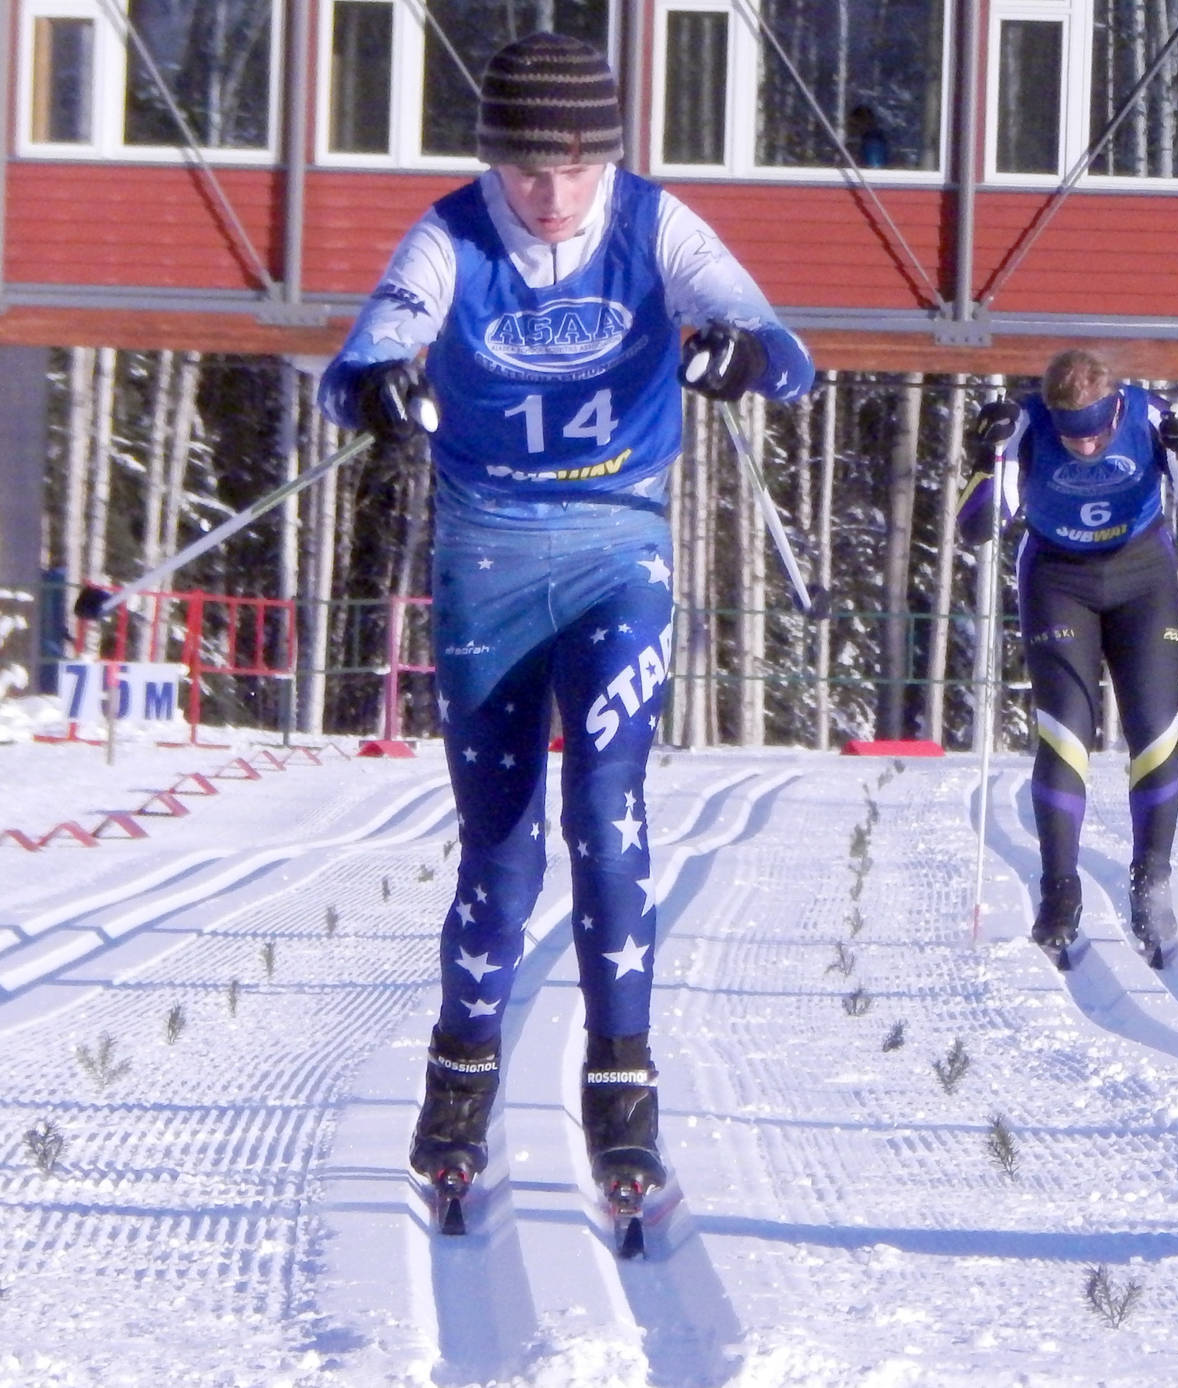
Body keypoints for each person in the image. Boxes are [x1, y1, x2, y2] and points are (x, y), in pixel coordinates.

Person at [318, 32, 813, 1214]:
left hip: (614, 552)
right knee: (500, 849)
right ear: (494, 159)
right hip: (487, 558)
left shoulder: (657, 227)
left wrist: (742, 355)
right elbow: (359, 357)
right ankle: (458, 1082)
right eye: (527, 170)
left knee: (605, 803)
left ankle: (623, 1093)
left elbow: (792, 360)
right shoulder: (450, 234)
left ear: (610, 155)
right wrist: (379, 383)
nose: (549, 196)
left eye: (575, 168)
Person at [958, 350, 1178, 969]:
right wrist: (987, 461)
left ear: (1116, 405)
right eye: (1071, 436)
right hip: (1059, 580)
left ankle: (1152, 888)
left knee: (1157, 732)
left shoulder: (1148, 415)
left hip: (1143, 578)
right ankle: (1059, 893)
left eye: (1095, 434)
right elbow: (976, 527)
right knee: (1065, 735)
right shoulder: (1028, 426)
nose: (1084, 448)